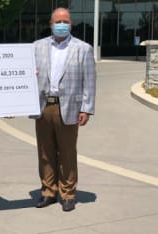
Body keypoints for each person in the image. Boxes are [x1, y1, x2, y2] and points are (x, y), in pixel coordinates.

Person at [32, 7, 96, 212]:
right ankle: (48, 191)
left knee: (67, 152)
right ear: (50, 24)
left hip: (68, 107)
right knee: (45, 152)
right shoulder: (36, 47)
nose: (61, 25)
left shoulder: (83, 48)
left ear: (70, 24)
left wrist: (86, 108)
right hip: (44, 106)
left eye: (65, 21)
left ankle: (68, 193)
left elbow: (90, 81)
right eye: (57, 22)